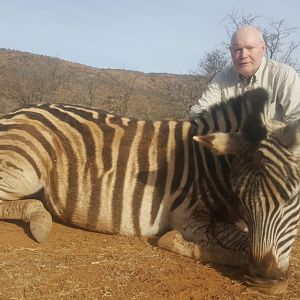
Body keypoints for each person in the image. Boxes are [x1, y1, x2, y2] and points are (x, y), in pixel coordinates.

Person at [189, 25, 300, 123]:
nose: (243, 55)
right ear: (230, 51)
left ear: (263, 48)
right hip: (234, 144)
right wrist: (223, 121)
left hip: (274, 144)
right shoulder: (222, 78)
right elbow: (197, 111)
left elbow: (297, 118)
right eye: (237, 49)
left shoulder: (284, 75)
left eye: (250, 48)